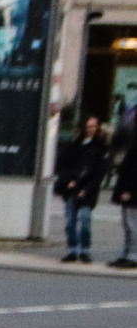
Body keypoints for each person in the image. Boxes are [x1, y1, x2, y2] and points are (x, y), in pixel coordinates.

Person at [54, 113, 112, 264]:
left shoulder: (101, 148)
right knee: (70, 221)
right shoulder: (74, 146)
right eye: (88, 126)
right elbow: (62, 165)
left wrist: (86, 188)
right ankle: (72, 250)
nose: (90, 129)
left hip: (88, 190)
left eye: (93, 126)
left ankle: (85, 250)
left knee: (85, 219)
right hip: (71, 188)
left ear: (97, 128)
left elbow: (99, 173)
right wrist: (68, 181)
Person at [111, 124, 137, 269]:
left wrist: (129, 190)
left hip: (132, 192)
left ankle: (132, 255)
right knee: (127, 224)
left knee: (132, 225)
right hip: (128, 190)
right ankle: (126, 254)